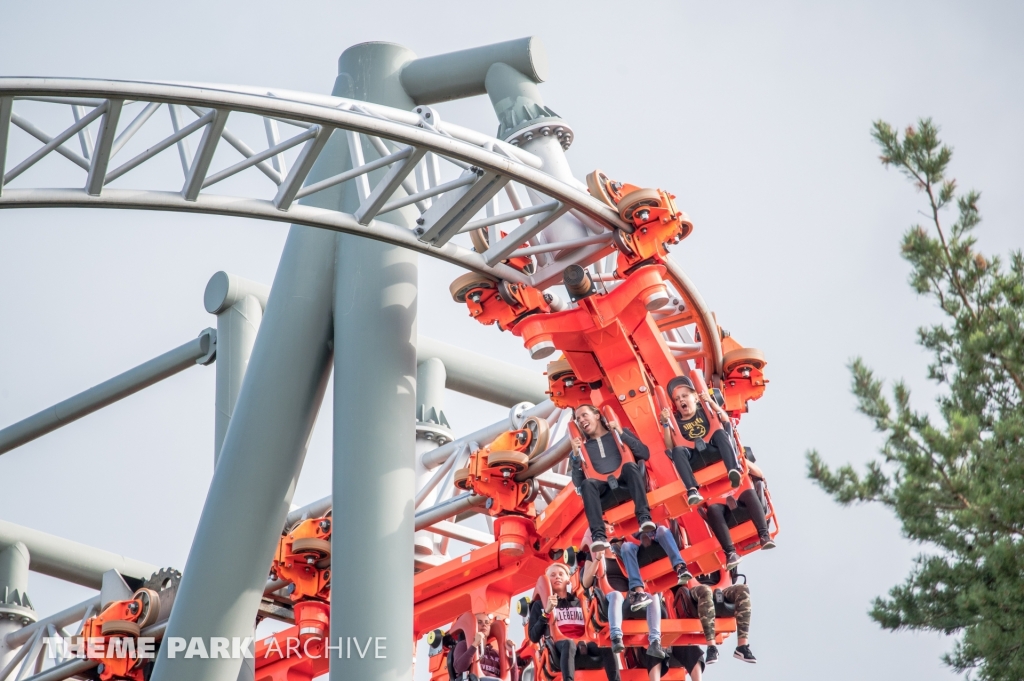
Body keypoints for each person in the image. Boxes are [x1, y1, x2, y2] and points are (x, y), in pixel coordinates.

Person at [579, 522, 680, 658]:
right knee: (616, 595)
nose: (609, 532)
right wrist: (597, 558)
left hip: (631, 598)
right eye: (605, 529)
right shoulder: (593, 555)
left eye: (610, 528)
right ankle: (616, 638)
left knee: (653, 596)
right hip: (609, 597)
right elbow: (586, 582)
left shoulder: (625, 550)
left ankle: (655, 642)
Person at [570, 405, 654, 552]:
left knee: (630, 466)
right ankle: (598, 535)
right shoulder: (581, 450)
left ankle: (644, 518)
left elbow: (644, 454)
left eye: (584, 415)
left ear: (597, 415)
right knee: (587, 484)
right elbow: (577, 483)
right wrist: (576, 456)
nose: (581, 420)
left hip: (627, 482)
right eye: (578, 419)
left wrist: (621, 434)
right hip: (604, 493)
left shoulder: (620, 433)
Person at [528, 562, 620, 681]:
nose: (557, 577)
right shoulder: (539, 605)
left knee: (606, 645)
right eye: (553, 575)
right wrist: (546, 612)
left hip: (585, 643)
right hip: (559, 647)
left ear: (568, 579)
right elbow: (533, 636)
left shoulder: (579, 601)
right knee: (569, 644)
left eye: (561, 574)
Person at [660, 376, 743, 504]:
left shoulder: (705, 411)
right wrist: (666, 424)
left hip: (714, 449)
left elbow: (725, 421)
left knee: (720, 433)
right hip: (694, 457)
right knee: (677, 450)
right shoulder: (675, 421)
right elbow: (670, 447)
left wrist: (711, 402)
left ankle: (734, 470)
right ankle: (692, 490)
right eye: (677, 399)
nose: (681, 400)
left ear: (695, 397)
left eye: (684, 396)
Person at [704, 460, 776, 568]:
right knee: (713, 509)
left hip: (747, 507)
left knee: (749, 493)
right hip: (726, 515)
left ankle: (764, 536)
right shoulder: (706, 475)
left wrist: (740, 460)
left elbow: (759, 474)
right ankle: (730, 553)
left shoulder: (736, 462)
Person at [678, 568, 756, 665]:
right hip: (696, 590)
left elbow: (733, 577)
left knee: (743, 589)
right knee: (706, 590)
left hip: (721, 590)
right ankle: (711, 647)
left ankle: (742, 647)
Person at [452, 612, 520, 681]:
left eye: (487, 623)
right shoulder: (464, 645)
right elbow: (459, 668)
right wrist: (474, 645)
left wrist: (511, 653)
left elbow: (514, 679)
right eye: (479, 622)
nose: (484, 625)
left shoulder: (496, 653)